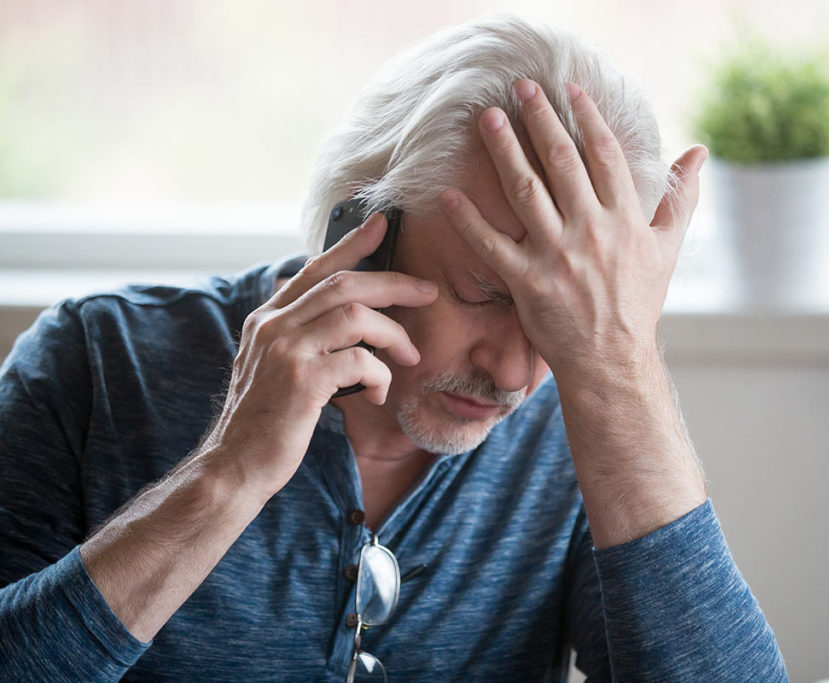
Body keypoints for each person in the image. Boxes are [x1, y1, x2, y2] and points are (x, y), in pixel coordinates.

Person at [0, 15, 787, 682]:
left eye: (561, 320)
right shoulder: (94, 362)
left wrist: (618, 368)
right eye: (486, 292)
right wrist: (227, 475)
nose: (515, 373)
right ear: (360, 231)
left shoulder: (590, 428)